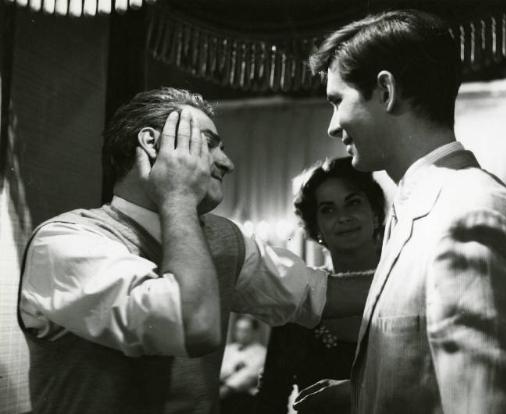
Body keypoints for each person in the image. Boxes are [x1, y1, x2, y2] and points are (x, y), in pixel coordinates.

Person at [17, 88, 372, 414]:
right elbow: (192, 327)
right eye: (210, 144)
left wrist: (423, 273)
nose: (227, 163)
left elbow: (318, 294)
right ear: (153, 145)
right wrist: (177, 197)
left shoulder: (223, 236)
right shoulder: (65, 242)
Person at [293, 9, 506, 414]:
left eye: (338, 101)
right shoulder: (422, 211)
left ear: (385, 91)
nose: (333, 126)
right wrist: (361, 395)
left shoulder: (469, 218)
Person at [255, 157, 385, 413]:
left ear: (376, 212)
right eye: (328, 209)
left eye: (354, 203)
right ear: (315, 228)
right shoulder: (298, 295)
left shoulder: (409, 282)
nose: (343, 217)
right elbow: (271, 396)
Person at [220, 315, 266, 413]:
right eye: (238, 330)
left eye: (245, 330)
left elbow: (248, 376)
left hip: (241, 395)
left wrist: (226, 389)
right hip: (220, 387)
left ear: (254, 332)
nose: (241, 334)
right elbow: (220, 371)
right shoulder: (229, 349)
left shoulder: (262, 353)